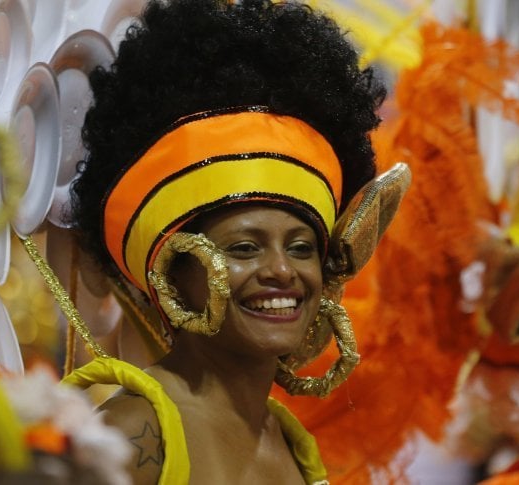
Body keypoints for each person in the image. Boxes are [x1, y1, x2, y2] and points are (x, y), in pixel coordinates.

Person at [68, 0, 409, 483]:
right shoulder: (132, 436)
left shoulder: (292, 443)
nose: (282, 271)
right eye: (245, 247)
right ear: (171, 274)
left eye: (301, 247)